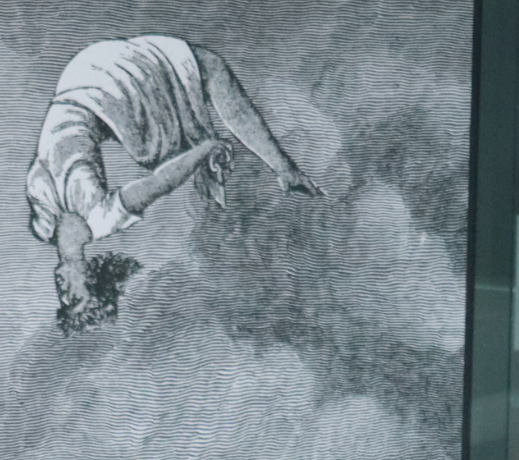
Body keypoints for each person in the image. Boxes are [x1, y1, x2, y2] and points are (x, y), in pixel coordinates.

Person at [26, 35, 322, 329]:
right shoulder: (101, 220)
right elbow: (160, 182)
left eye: (64, 302)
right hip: (97, 88)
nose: (63, 295)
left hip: (80, 82)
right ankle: (285, 169)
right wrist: (205, 149)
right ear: (92, 278)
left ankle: (283, 169)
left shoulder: (42, 224)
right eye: (74, 298)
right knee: (202, 80)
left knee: (197, 86)